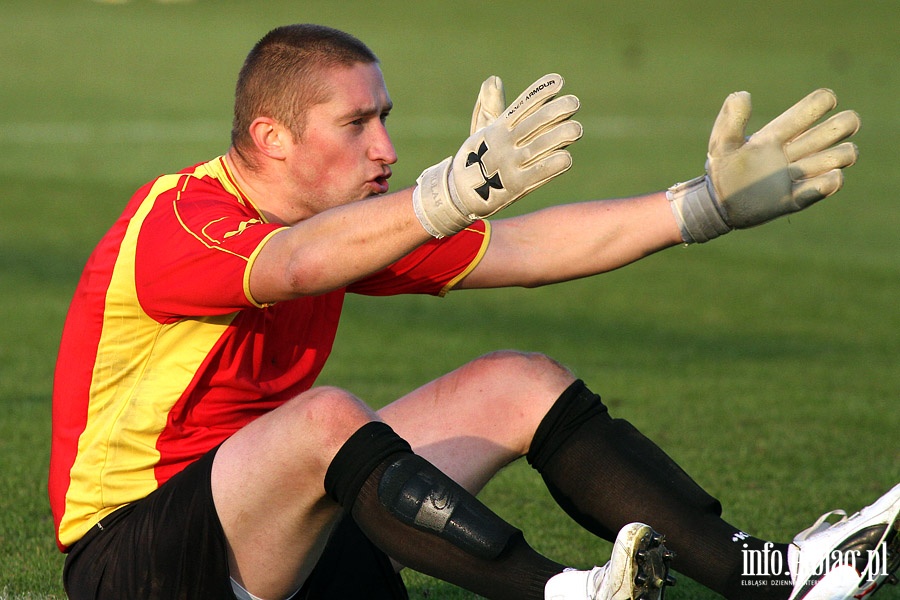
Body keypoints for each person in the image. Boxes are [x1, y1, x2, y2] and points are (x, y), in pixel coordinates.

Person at [48, 23, 898, 600]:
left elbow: (524, 250)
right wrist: (442, 193)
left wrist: (703, 207)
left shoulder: (339, 226)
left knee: (516, 382)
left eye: (386, 118)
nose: (384, 147)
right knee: (324, 421)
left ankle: (775, 574)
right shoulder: (183, 220)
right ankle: (563, 592)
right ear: (273, 138)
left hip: (279, 545)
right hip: (136, 560)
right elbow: (294, 266)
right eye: (357, 123)